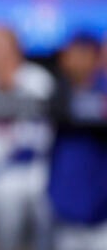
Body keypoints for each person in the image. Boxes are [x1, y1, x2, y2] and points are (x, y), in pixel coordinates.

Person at [0, 24, 56, 250]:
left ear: (13, 48)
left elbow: (40, 118)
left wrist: (4, 86)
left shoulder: (36, 78)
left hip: (36, 174)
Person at [47, 32, 107, 250]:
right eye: (69, 54)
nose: (71, 59)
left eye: (79, 53)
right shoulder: (58, 91)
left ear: (95, 56)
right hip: (66, 212)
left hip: (102, 216)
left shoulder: (103, 88)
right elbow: (59, 109)